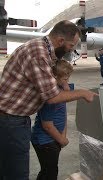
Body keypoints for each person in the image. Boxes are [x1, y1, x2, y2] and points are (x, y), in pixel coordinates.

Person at [0, 20, 97, 180]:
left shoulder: (44, 50)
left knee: (7, 170)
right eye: (71, 46)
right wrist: (82, 93)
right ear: (60, 41)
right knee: (16, 174)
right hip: (11, 122)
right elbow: (52, 97)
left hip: (14, 120)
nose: (71, 50)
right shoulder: (38, 54)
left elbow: (53, 77)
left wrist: (64, 80)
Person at [31, 60, 73, 180]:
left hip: (54, 139)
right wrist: (62, 140)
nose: (68, 82)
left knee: (49, 170)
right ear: (54, 77)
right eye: (65, 79)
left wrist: (63, 136)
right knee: (50, 172)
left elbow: (63, 113)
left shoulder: (61, 89)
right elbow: (47, 125)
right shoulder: (51, 96)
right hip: (45, 141)